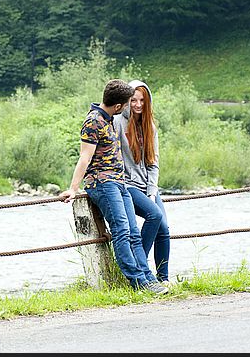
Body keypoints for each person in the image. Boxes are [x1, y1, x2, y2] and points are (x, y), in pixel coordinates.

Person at [60, 79, 168, 295]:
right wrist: (73, 188)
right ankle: (138, 282)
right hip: (103, 183)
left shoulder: (108, 119)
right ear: (119, 106)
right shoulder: (93, 122)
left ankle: (148, 278)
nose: (131, 107)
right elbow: (84, 157)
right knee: (121, 231)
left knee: (133, 233)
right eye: (128, 103)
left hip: (119, 183)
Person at [114, 79, 171, 285]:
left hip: (147, 186)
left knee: (164, 229)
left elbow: (153, 163)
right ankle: (140, 268)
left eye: (142, 101)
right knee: (154, 215)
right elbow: (115, 157)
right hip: (127, 185)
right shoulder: (118, 122)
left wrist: (152, 191)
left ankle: (163, 278)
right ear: (127, 101)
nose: (138, 104)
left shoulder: (150, 127)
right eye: (133, 100)